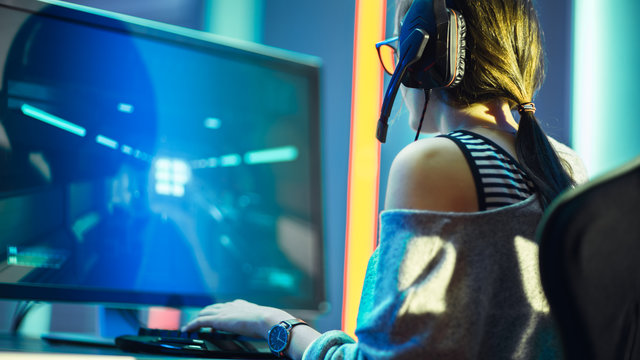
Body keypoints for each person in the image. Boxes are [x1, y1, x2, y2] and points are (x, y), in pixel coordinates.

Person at [183, 0, 588, 358]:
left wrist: (275, 325)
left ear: (422, 55)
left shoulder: (436, 162)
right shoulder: (562, 164)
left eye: (400, 46)